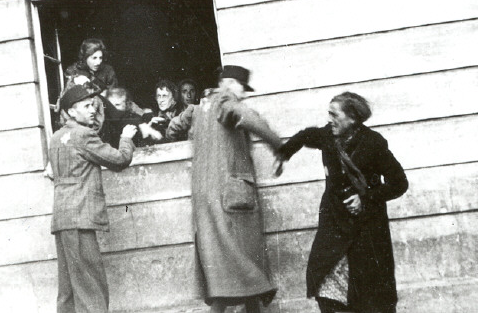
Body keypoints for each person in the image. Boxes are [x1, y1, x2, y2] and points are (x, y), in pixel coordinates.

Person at [276, 92, 408, 313]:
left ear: (353, 119)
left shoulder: (373, 143)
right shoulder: (328, 136)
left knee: (368, 293)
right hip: (334, 220)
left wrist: (365, 198)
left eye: (334, 115)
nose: (330, 120)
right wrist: (283, 153)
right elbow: (305, 135)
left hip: (365, 228)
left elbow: (399, 183)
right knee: (322, 276)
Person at [166, 65, 284, 313]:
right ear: (229, 83)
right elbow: (249, 118)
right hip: (231, 196)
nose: (243, 94)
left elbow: (172, 128)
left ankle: (250, 308)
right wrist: (279, 147)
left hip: (204, 197)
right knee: (243, 258)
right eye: (242, 87)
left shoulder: (197, 109)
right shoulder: (225, 101)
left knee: (222, 262)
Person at [49, 84, 137, 313]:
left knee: (68, 290)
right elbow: (119, 160)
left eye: (92, 105)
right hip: (80, 217)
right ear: (70, 111)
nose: (92, 110)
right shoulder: (83, 134)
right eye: (86, 106)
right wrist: (126, 138)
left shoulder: (57, 137)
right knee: (91, 287)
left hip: (63, 219)